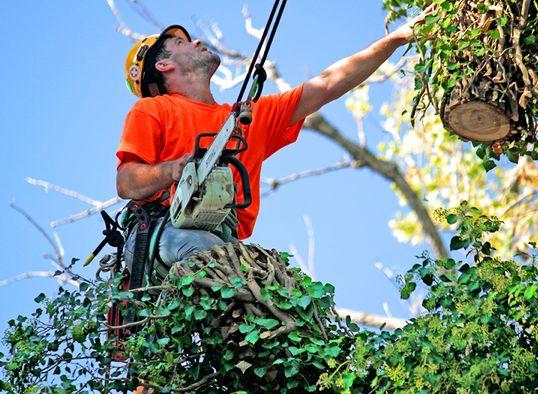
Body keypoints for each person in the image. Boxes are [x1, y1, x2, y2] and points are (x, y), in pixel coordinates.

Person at [116, 5, 436, 282]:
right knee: (212, 256)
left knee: (271, 279)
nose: (197, 41)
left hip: (219, 245)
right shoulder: (153, 110)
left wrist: (397, 39)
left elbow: (326, 84)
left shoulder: (244, 119)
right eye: (181, 42)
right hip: (165, 239)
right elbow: (127, 182)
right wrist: (174, 169)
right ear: (163, 65)